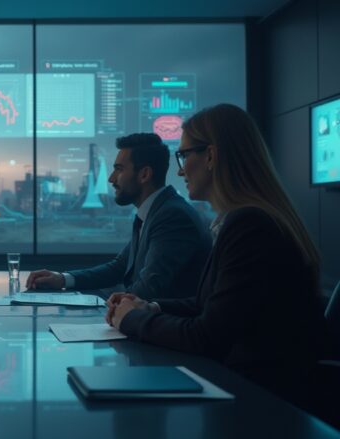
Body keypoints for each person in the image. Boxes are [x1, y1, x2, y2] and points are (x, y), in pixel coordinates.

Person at [106, 104, 332, 405]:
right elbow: (210, 304)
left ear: (211, 156)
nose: (180, 170)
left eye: (184, 155)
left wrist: (132, 320)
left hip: (257, 405)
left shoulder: (249, 225)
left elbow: (206, 336)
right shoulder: (248, 219)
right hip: (250, 392)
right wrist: (153, 307)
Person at [27, 133, 211, 300]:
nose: (111, 179)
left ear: (144, 174)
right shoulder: (156, 211)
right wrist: (63, 279)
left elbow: (149, 290)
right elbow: (120, 267)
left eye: (119, 169)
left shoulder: (172, 216)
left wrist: (106, 304)